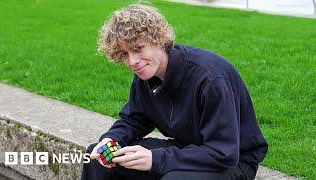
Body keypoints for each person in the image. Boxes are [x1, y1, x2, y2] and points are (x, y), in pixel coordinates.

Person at [81, 3, 268, 180]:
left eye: (138, 49)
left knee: (175, 178)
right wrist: (111, 140)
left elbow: (223, 152)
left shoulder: (210, 78)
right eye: (124, 54)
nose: (132, 61)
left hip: (233, 161)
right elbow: (134, 119)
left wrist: (156, 159)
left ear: (159, 39)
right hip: (188, 148)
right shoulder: (145, 74)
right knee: (95, 157)